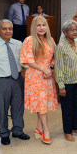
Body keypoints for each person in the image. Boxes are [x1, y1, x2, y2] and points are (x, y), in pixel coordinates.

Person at [20, 16, 58, 145]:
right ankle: (46, 131)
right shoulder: (29, 40)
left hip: (47, 76)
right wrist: (43, 68)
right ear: (33, 27)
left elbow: (54, 58)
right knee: (41, 104)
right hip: (35, 76)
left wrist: (50, 68)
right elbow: (29, 61)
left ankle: (38, 128)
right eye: (38, 25)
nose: (41, 28)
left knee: (42, 104)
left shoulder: (50, 40)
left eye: (44, 25)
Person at [0, 19, 30, 145]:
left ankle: (17, 130)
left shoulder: (18, 43)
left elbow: (25, 60)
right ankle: (4, 133)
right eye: (4, 29)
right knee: (2, 109)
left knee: (18, 107)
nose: (8, 31)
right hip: (1, 81)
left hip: (17, 80)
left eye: (10, 28)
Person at [55, 20, 77, 142]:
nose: (75, 32)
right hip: (67, 83)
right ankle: (67, 131)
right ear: (65, 32)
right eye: (72, 30)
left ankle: (76, 128)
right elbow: (58, 67)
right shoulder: (61, 47)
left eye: (76, 30)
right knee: (67, 108)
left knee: (76, 107)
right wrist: (61, 86)